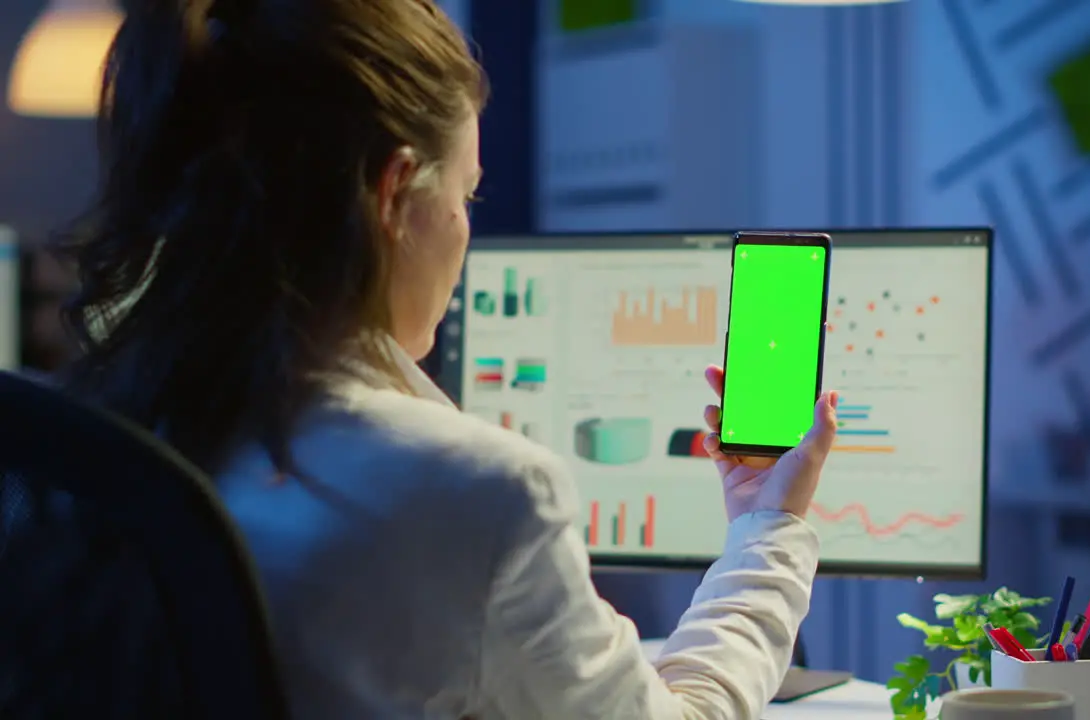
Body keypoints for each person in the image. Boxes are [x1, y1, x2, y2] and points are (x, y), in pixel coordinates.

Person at [57, 1, 841, 718]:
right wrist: (767, 529)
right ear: (395, 193)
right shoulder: (477, 490)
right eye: (466, 196)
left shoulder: (92, 428)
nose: (465, 230)